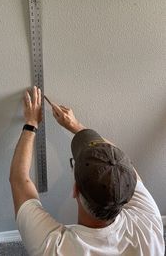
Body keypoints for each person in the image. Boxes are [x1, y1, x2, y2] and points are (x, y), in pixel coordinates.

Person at [9, 86, 165, 256]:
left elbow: (19, 179)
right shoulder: (148, 221)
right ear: (129, 191)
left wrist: (31, 123)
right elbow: (120, 161)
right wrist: (76, 126)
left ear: (75, 190)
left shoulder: (54, 247)